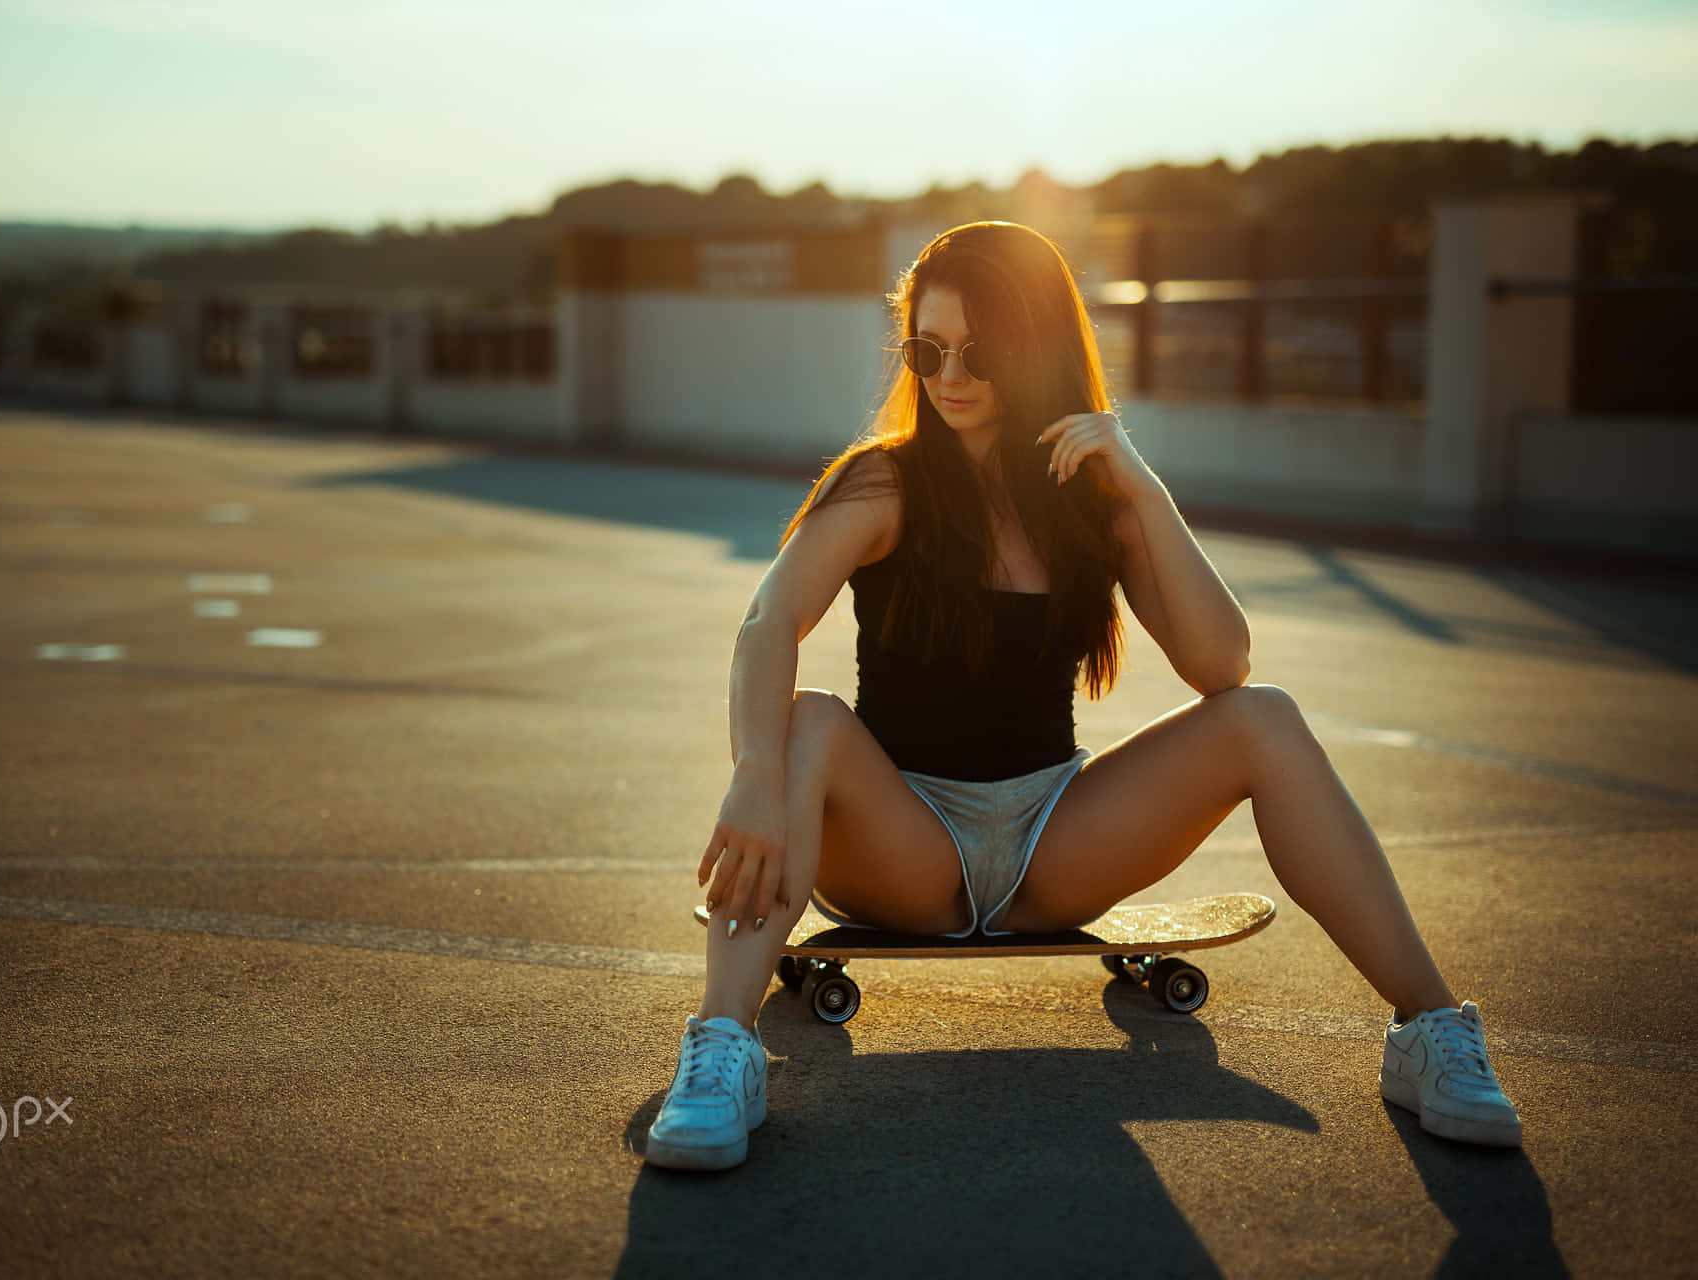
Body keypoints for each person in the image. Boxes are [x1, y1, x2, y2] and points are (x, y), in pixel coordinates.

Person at [641, 221, 1521, 1171]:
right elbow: (768, 623)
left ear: (1041, 347)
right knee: (807, 718)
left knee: (1264, 717)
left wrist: (1140, 490)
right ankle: (722, 1051)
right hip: (905, 843)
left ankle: (1429, 1030)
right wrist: (755, 777)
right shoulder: (884, 480)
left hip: (1052, 841)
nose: (951, 374)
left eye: (981, 350)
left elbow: (1220, 664)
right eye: (928, 349)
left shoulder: (1088, 497)